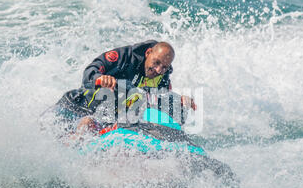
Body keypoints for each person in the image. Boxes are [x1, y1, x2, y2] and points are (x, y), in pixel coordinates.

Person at [44, 40, 196, 136]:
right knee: (87, 123)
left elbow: (159, 98)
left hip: (108, 113)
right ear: (148, 53)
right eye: (156, 63)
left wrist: (178, 100)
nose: (158, 70)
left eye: (163, 67)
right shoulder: (124, 57)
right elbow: (90, 72)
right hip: (75, 107)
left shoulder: (163, 74)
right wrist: (100, 78)